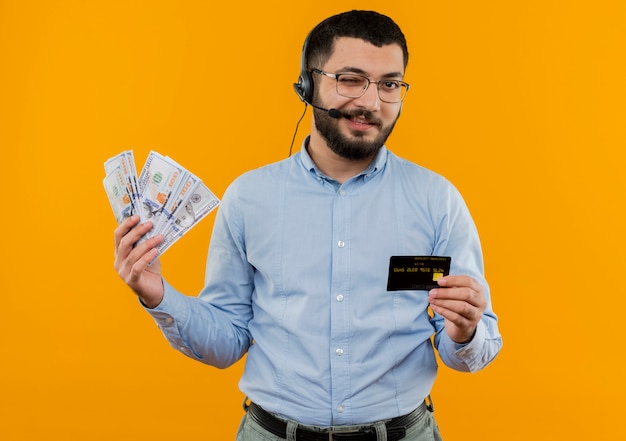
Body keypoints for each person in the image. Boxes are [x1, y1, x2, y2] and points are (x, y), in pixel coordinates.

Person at [114, 10, 502, 441]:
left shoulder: (437, 200)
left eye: (389, 84)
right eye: (351, 79)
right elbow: (227, 341)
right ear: (308, 83)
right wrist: (158, 296)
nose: (371, 103)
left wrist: (464, 332)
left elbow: (471, 350)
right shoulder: (249, 198)